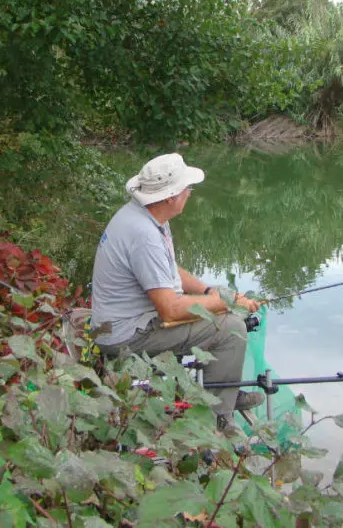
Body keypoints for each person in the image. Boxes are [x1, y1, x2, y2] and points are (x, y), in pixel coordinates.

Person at [90, 152, 264, 434]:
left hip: (125, 322)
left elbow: (167, 270)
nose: (189, 194)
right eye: (187, 189)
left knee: (222, 310)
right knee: (232, 327)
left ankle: (225, 392)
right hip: (126, 335)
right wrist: (226, 303)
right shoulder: (144, 234)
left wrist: (210, 291)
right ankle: (219, 418)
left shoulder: (146, 215)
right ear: (171, 196)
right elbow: (170, 309)